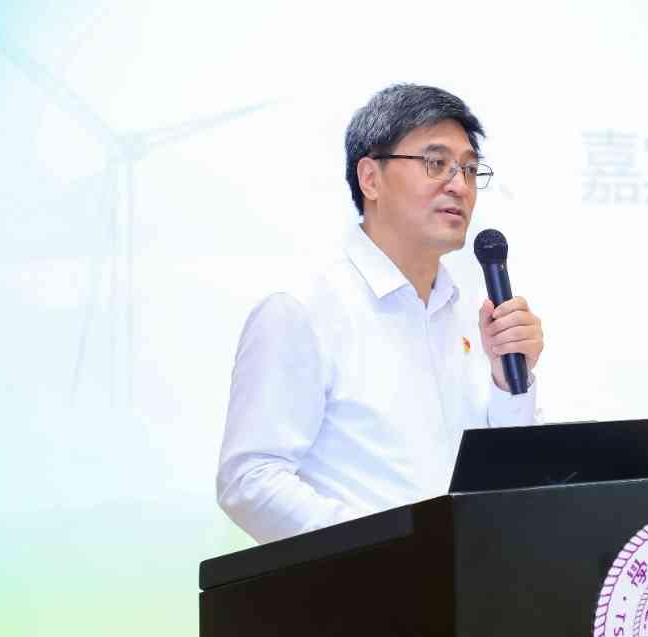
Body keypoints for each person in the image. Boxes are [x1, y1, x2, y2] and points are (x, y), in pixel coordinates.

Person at [216, 84, 544, 543]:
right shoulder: (302, 308)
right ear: (370, 178)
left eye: (470, 169)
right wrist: (383, 548)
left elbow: (510, 474)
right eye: (436, 163)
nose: (459, 185)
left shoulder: (474, 314)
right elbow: (249, 480)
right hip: (365, 579)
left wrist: (510, 384)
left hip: (473, 574)